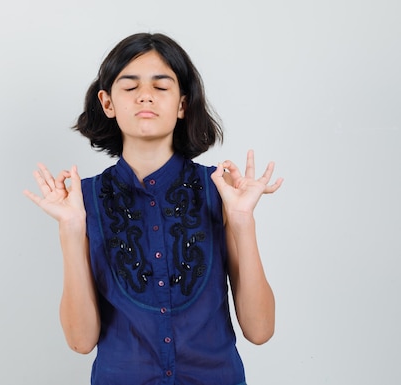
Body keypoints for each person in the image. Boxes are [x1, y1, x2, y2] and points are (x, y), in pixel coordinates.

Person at [23, 32, 283, 385]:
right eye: (130, 87)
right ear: (107, 102)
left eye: (161, 87)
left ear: (182, 104)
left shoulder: (222, 191)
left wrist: (241, 221)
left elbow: (260, 329)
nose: (145, 95)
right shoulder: (82, 201)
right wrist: (70, 230)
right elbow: (81, 341)